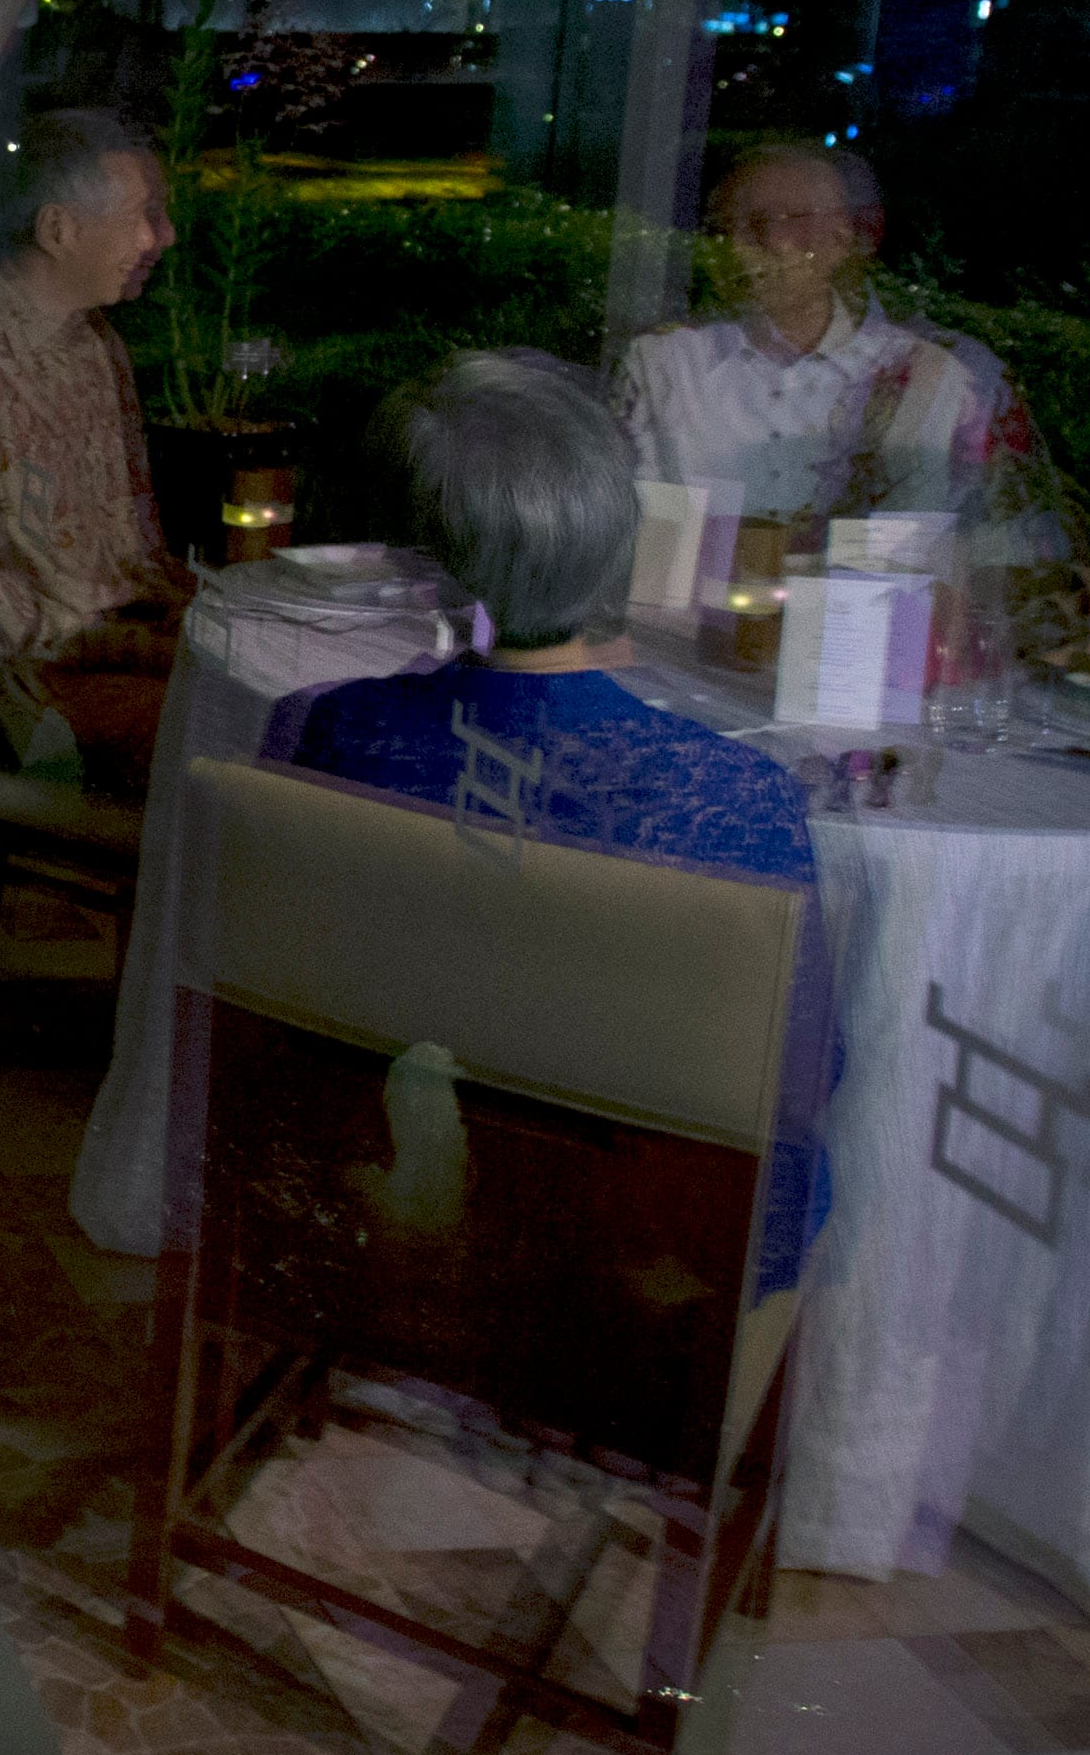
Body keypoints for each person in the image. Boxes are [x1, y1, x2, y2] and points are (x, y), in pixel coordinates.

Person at [264, 350, 835, 1299]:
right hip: (649, 1276)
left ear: (421, 564)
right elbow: (804, 1087)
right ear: (615, 534)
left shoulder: (336, 727)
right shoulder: (740, 797)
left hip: (381, 1212)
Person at [614, 142, 1050, 546]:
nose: (737, 248)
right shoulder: (663, 364)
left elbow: (943, 548)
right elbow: (628, 531)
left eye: (765, 226)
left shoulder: (925, 377)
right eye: (720, 228)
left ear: (841, 240)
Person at [0, 105, 188, 779]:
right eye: (145, 217)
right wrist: (121, 642)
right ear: (58, 228)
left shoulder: (94, 344)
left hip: (122, 642)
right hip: (41, 679)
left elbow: (135, 539)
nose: (162, 238)